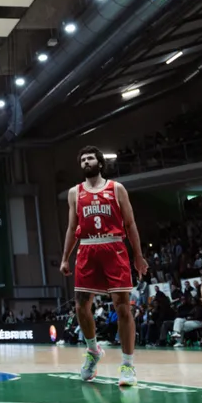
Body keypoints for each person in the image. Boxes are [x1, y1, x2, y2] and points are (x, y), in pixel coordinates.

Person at [61, 145, 148, 386]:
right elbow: (72, 227)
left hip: (114, 247)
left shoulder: (116, 188)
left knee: (123, 308)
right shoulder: (74, 193)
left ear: (100, 163)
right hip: (87, 248)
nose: (86, 162)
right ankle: (93, 350)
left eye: (90, 158)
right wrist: (65, 257)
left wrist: (138, 256)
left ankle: (128, 365)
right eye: (83, 160)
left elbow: (130, 224)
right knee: (81, 306)